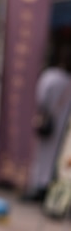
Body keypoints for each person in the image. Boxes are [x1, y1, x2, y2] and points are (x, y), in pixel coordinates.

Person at [24, 45, 71, 202]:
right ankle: (48, 189)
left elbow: (40, 98)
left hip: (47, 122)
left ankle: (38, 187)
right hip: (63, 128)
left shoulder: (50, 76)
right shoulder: (67, 81)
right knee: (55, 158)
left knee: (40, 155)